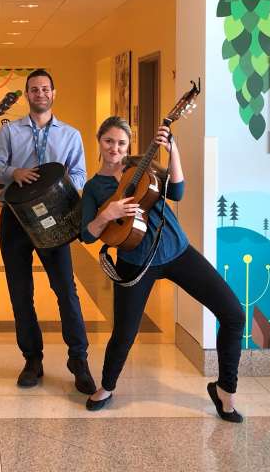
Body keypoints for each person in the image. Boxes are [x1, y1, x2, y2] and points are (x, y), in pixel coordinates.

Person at [80, 117, 245, 421]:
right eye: (109, 141)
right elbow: (88, 234)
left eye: (121, 143)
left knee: (234, 314)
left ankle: (225, 390)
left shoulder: (142, 166)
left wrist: (174, 149)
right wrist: (108, 213)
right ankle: (107, 386)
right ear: (99, 141)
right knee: (125, 333)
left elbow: (178, 192)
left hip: (176, 250)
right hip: (134, 262)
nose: (114, 148)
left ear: (128, 145)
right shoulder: (94, 187)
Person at [0, 69, 95, 394]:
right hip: (15, 220)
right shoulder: (10, 132)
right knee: (20, 293)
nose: (40, 94)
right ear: (27, 95)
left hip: (56, 220)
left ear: (54, 93)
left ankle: (78, 359)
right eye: (34, 89)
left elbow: (80, 171)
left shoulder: (71, 135)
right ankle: (32, 359)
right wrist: (13, 172)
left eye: (45, 89)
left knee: (65, 289)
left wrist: (62, 188)